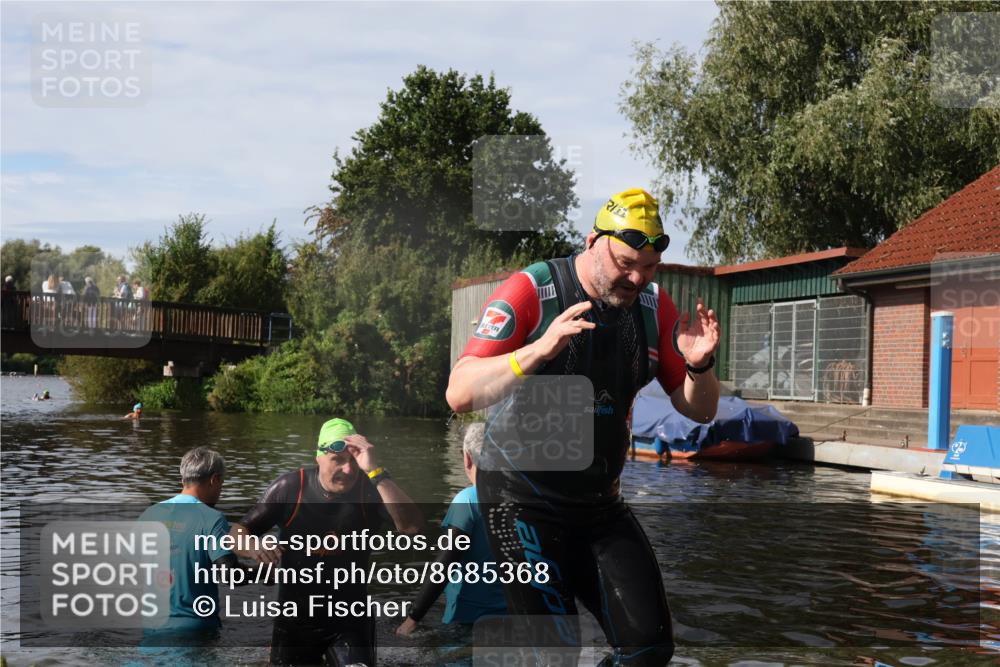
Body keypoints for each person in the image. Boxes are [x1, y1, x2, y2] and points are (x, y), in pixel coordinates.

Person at [446, 188, 721, 666]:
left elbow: (699, 411)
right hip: (520, 499)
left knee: (649, 649)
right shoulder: (533, 289)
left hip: (599, 506)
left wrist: (700, 366)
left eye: (650, 266)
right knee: (555, 654)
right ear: (593, 241)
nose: (636, 277)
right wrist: (538, 350)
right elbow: (460, 392)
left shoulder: (655, 308)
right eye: (625, 262)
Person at [229, 418, 424, 667]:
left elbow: (413, 529)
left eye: (354, 461)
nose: (348, 470)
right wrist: (253, 547)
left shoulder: (371, 489)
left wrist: (375, 471)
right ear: (318, 457)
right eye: (338, 460)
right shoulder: (290, 488)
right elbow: (238, 531)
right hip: (296, 623)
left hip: (350, 623)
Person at [395, 422, 507, 638]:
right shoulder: (521, 500)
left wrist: (412, 618)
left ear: (467, 458)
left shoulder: (468, 500)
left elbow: (445, 563)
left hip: (467, 621)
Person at [138, 447, 255, 639]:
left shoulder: (150, 514)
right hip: (195, 629)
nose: (221, 490)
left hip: (152, 626)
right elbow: (229, 574)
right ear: (214, 479)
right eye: (222, 484)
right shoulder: (212, 519)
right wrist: (261, 573)